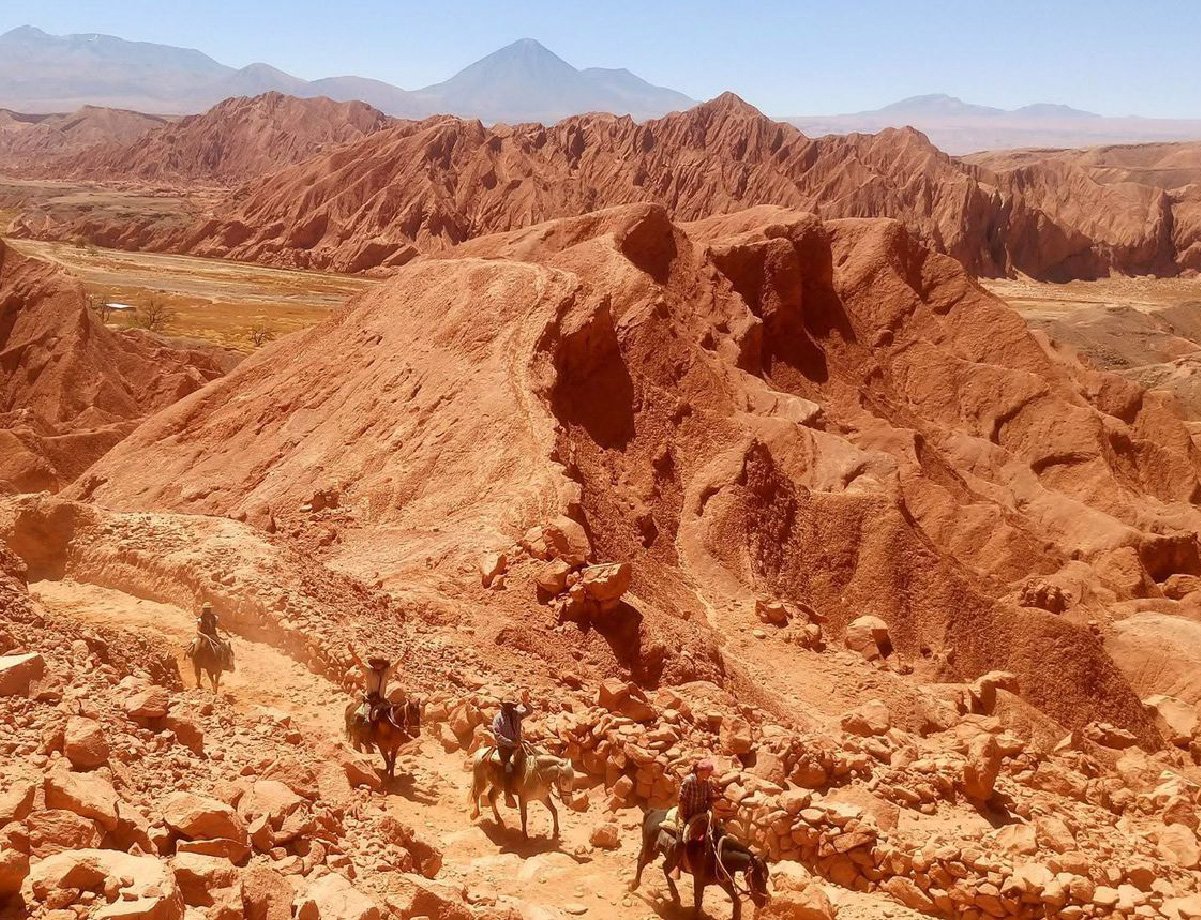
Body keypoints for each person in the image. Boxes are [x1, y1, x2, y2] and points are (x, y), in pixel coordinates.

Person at [669, 759, 716, 878]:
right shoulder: (688, 781)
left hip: (700, 816)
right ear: (699, 771)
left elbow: (710, 799)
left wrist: (710, 810)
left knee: (715, 834)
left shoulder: (707, 784)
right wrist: (680, 819)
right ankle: (677, 865)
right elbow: (681, 801)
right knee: (681, 840)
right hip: (686, 815)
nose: (709, 774)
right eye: (707, 771)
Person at [492, 689, 532, 806]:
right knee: (508, 767)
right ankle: (508, 794)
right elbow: (497, 735)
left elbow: (529, 711)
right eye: (507, 705)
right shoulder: (498, 718)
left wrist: (526, 702)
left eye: (511, 705)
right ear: (503, 705)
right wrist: (510, 742)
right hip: (504, 748)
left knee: (532, 760)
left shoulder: (517, 713)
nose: (510, 707)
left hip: (517, 745)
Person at [196, 602, 233, 670]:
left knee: (224, 647)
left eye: (209, 609)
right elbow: (197, 632)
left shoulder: (214, 617)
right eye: (206, 609)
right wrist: (205, 636)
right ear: (204, 610)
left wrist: (227, 633)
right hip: (204, 636)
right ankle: (198, 661)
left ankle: (226, 663)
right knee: (201, 647)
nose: (208, 611)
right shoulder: (200, 619)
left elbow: (221, 626)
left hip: (213, 635)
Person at [360, 657, 394, 725]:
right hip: (370, 699)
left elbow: (395, 666)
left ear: (383, 665)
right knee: (368, 715)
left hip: (381, 700)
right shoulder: (369, 672)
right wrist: (352, 652)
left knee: (391, 712)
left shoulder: (385, 673)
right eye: (376, 664)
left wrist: (402, 657)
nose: (378, 665)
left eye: (380, 664)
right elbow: (360, 663)